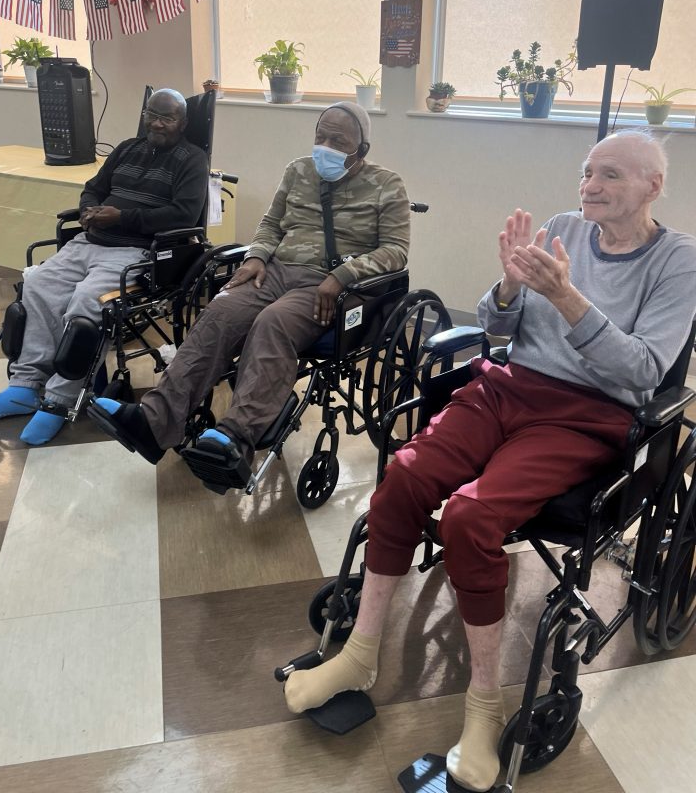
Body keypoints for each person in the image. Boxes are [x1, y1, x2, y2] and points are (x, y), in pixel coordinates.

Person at [281, 129, 696, 793]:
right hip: (507, 387)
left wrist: (565, 297)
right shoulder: (563, 227)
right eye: (588, 171)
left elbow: (646, 371)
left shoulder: (679, 260)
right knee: (404, 476)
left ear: (653, 186)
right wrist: (505, 291)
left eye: (611, 175)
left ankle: (482, 708)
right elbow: (498, 333)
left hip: (588, 414)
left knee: (471, 518)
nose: (590, 183)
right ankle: (358, 655)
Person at [89, 101, 410, 473]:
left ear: (362, 149)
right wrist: (256, 256)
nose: (325, 146)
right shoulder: (299, 170)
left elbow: (396, 251)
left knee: (273, 323)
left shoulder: (388, 185)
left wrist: (343, 276)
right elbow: (271, 224)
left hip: (329, 285)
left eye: (337, 140)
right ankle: (153, 421)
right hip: (274, 269)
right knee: (222, 310)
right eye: (320, 136)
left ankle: (237, 438)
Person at [0, 88, 209, 446]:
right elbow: (93, 188)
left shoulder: (192, 160)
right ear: (144, 114)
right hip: (89, 241)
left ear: (183, 122)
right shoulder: (128, 148)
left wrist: (122, 217)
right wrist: (88, 210)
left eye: (167, 117)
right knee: (37, 285)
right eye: (152, 114)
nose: (158, 123)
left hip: (138, 252)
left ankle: (59, 400)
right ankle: (25, 386)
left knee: (86, 301)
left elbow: (184, 215)